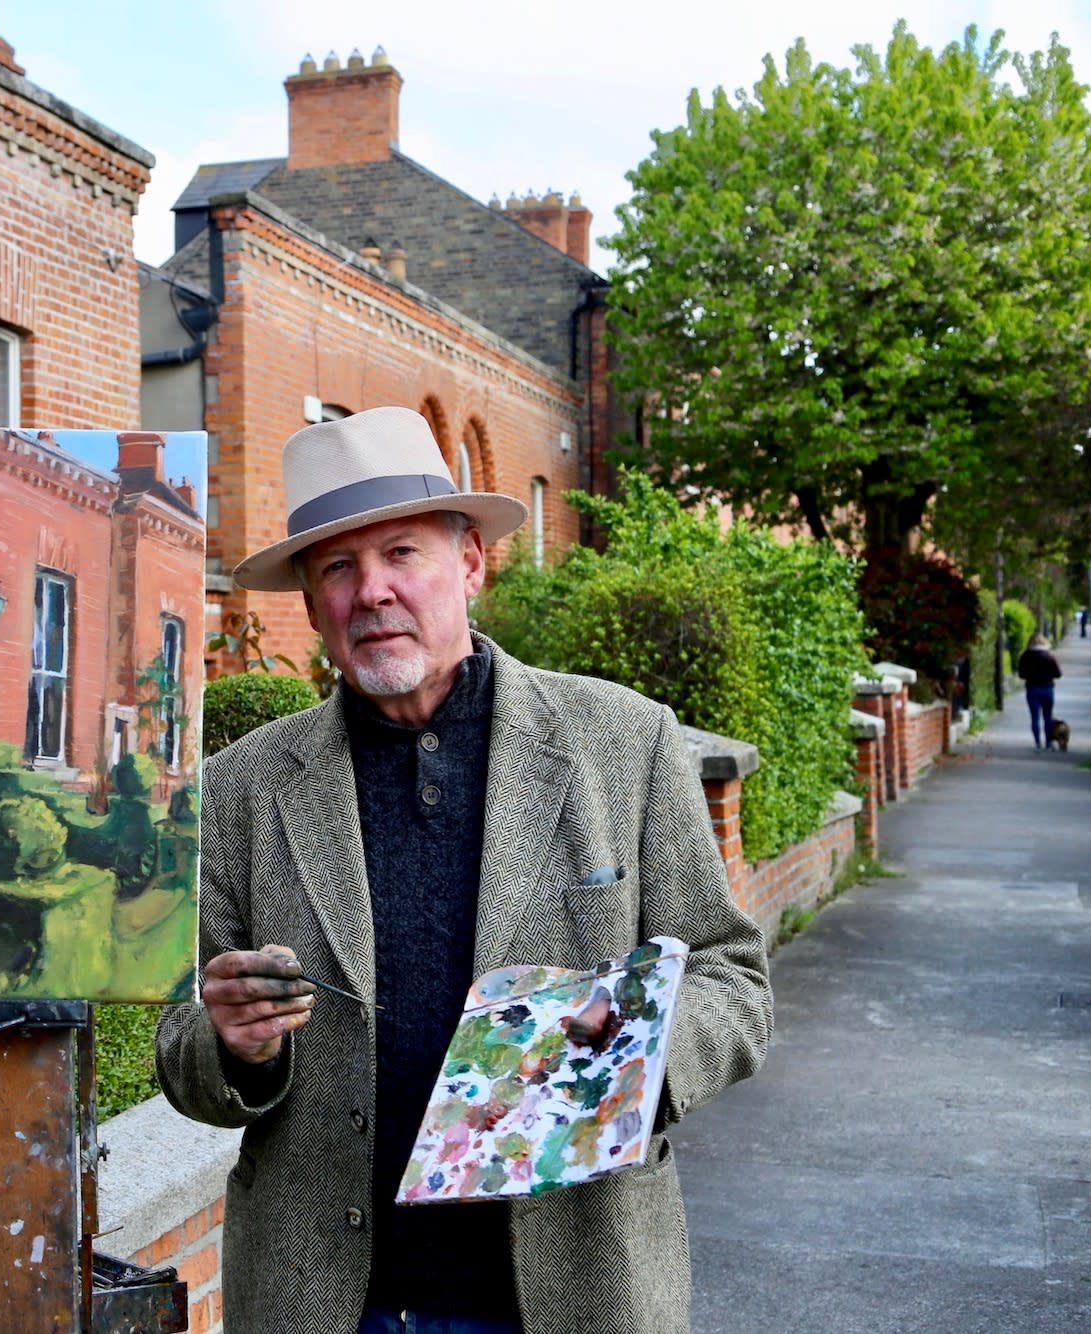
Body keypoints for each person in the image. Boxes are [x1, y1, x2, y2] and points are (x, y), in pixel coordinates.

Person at [156, 407, 772, 1333]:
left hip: (575, 1290)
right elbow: (180, 1039)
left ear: (472, 562)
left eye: (402, 553)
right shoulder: (240, 790)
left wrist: (631, 1061)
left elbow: (733, 978)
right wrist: (232, 1042)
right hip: (329, 1300)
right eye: (338, 568)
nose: (372, 592)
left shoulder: (623, 743)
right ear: (312, 600)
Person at [1017, 635, 1063, 751]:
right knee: (1047, 717)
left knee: (1035, 718)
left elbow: (1021, 674)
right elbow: (1058, 674)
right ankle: (1048, 743)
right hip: (1047, 689)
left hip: (1032, 689)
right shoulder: (1049, 656)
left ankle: (1038, 743)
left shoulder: (1026, 656)